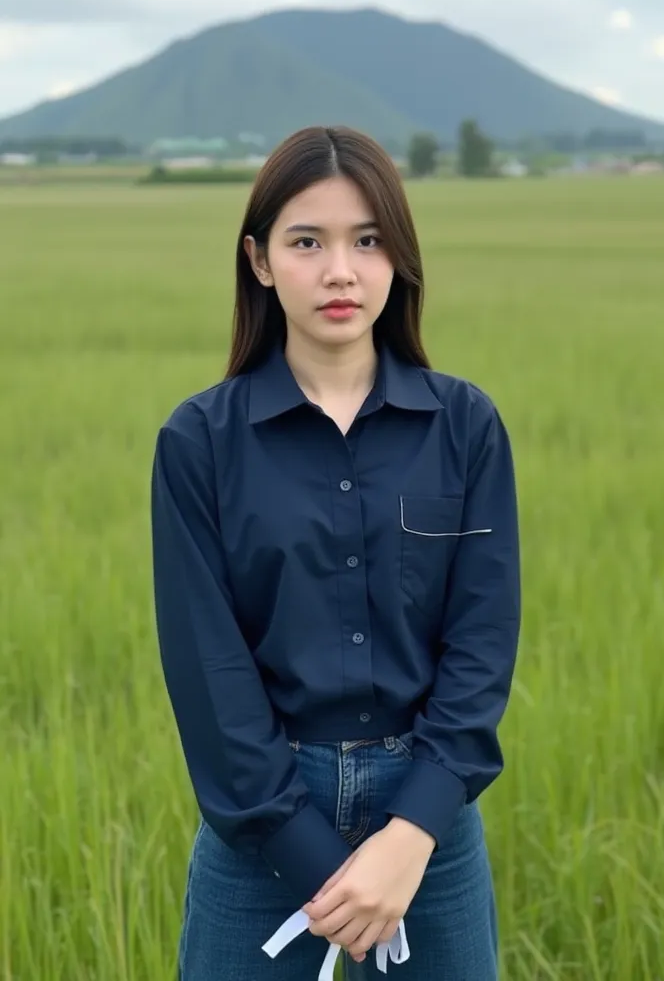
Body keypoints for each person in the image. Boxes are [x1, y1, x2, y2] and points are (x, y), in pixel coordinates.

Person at [150, 125, 521, 981]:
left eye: (367, 240)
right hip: (262, 833)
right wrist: (319, 862)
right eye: (306, 242)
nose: (341, 271)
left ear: (399, 256)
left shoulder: (465, 428)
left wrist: (409, 836)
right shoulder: (200, 442)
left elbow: (482, 643)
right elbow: (209, 674)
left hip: (428, 826)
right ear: (259, 259)